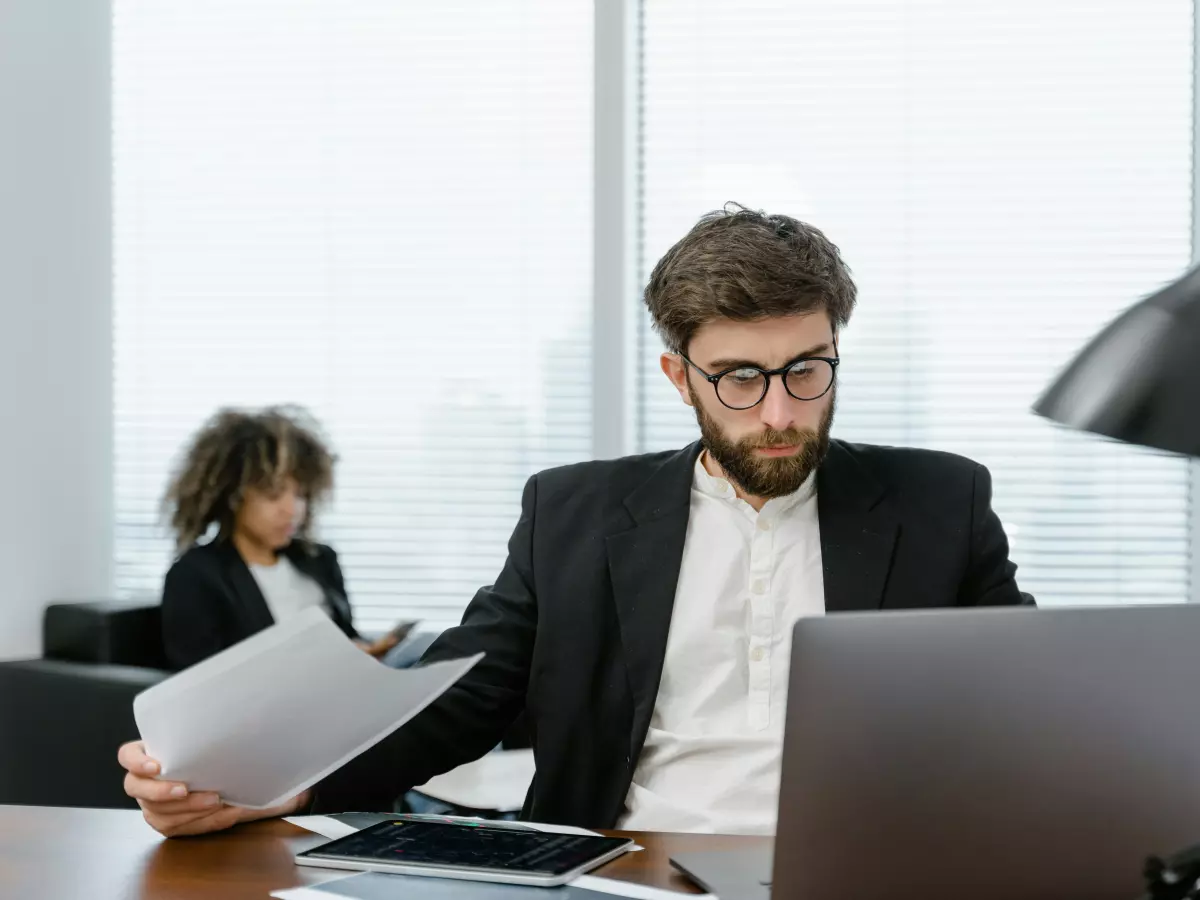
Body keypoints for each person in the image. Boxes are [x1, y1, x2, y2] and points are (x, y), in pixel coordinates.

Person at [120, 205, 1033, 837]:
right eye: (741, 379)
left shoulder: (939, 503)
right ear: (681, 377)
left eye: (808, 369)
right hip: (630, 865)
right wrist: (275, 787)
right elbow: (462, 696)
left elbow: (1035, 698)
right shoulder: (575, 512)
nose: (781, 412)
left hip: (863, 868)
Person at [157, 406, 400, 671]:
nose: (292, 510)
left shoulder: (320, 559)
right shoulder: (195, 575)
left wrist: (363, 650)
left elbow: (345, 635)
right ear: (233, 495)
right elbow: (198, 681)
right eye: (273, 494)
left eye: (300, 495)